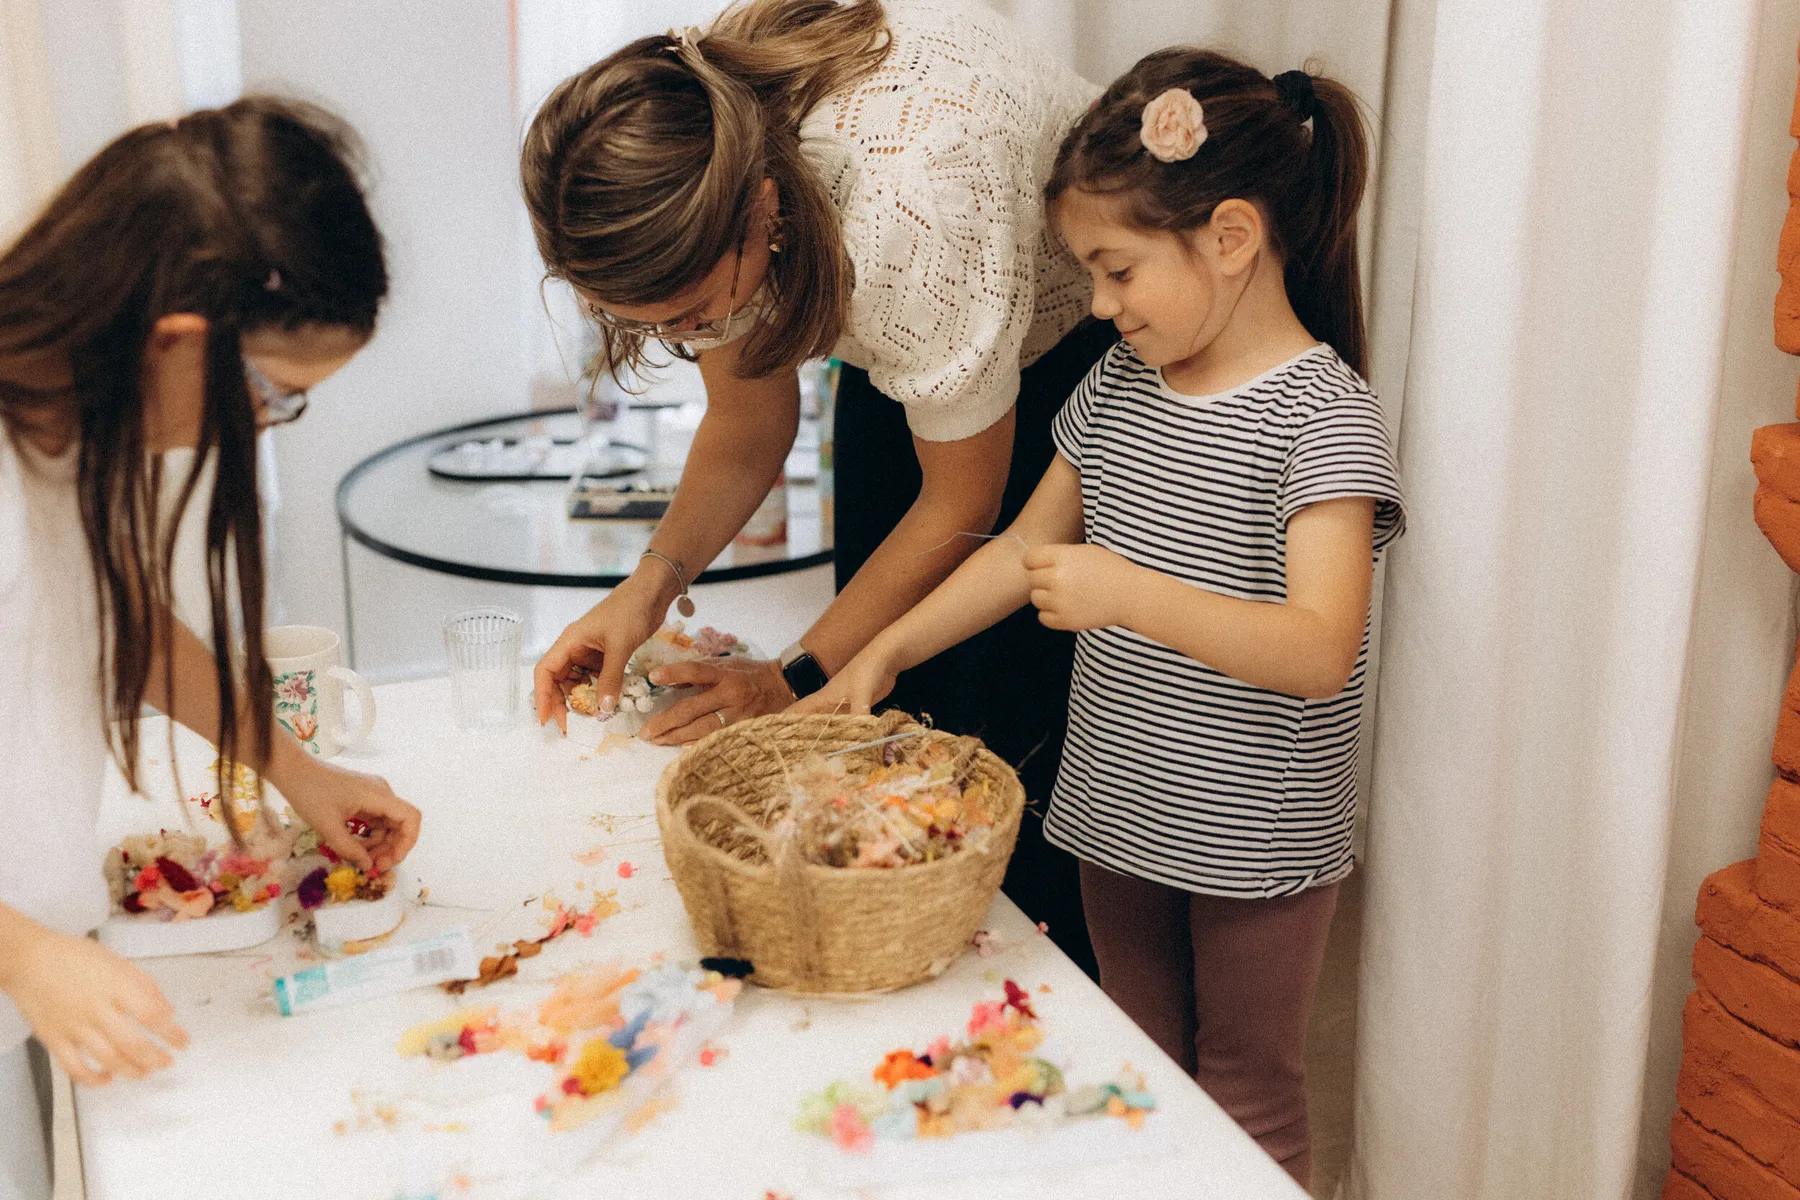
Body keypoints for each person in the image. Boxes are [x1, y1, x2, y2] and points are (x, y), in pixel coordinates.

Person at [796, 51, 1405, 1186]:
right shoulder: (1121, 385)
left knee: (1247, 1087)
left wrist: (1126, 594)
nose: (1103, 305)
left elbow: (1320, 648)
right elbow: (1025, 545)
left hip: (1252, 840)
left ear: (1230, 238)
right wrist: (883, 648)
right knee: (1136, 1068)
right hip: (1119, 809)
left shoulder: (1326, 417)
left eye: (1117, 271)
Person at [523, 0, 1108, 976]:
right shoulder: (696, 153)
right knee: (878, 704)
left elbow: (962, 503)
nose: (683, 340)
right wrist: (646, 588)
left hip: (1070, 339)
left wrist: (791, 674)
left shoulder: (915, 207)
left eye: (693, 314)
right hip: (898, 319)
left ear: (761, 211)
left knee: (994, 753)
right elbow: (749, 422)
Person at [0, 98, 422, 1200]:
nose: (270, 426)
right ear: (179, 341)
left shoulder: (66, 424)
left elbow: (119, 627)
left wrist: (301, 770)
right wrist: (18, 949)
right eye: (275, 397)